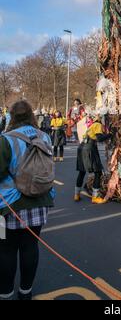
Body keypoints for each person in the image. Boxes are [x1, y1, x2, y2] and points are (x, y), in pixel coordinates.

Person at [0, 100, 55, 301]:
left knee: (5, 250)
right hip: (40, 202)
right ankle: (26, 292)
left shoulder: (5, 139)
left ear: (11, 116)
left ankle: (5, 293)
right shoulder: (45, 137)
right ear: (32, 115)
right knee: (30, 247)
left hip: (7, 207)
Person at [74, 114, 111, 204]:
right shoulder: (97, 125)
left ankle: (76, 194)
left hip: (81, 147)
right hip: (89, 148)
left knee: (82, 172)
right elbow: (99, 138)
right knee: (97, 172)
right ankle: (95, 196)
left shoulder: (91, 126)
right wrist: (110, 135)